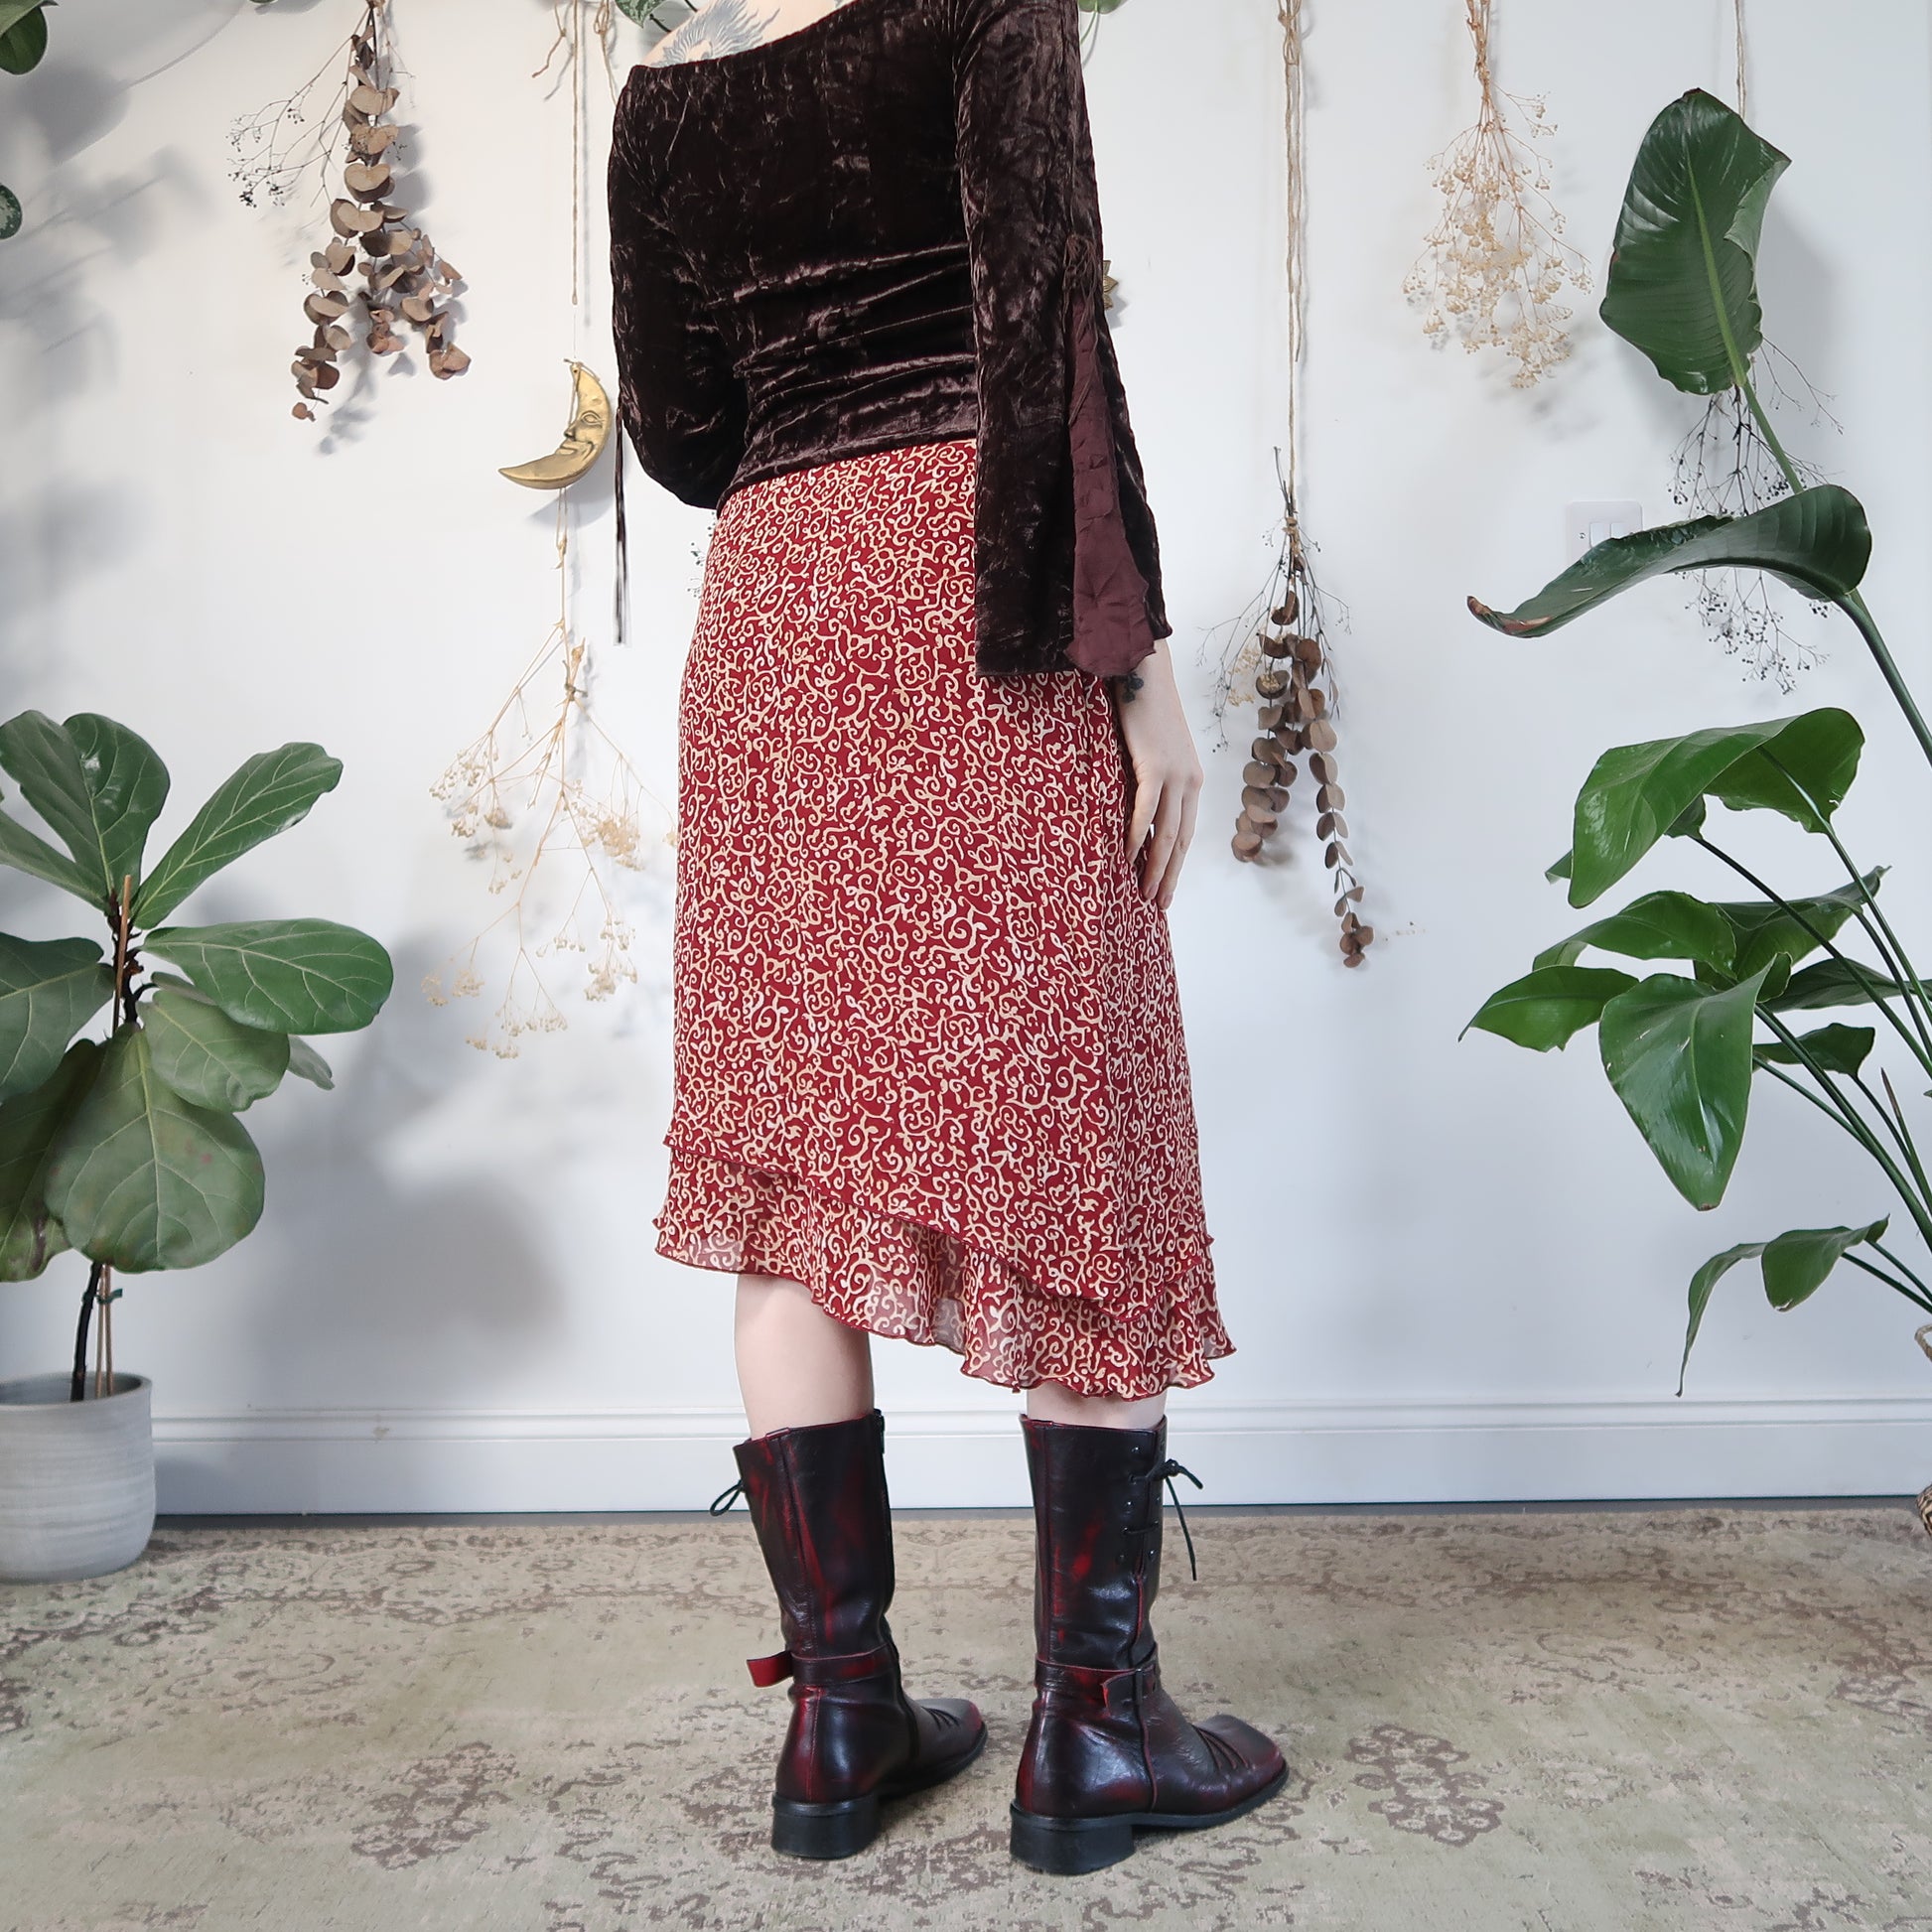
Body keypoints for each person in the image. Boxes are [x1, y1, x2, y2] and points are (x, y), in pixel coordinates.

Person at [608, 0, 1287, 1875]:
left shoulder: (663, 93)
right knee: (1068, 1122)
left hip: (779, 599)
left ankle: (841, 1718)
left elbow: (678, 428)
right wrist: (1136, 664)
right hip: (971, 575)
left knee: (794, 1156)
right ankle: (1096, 1728)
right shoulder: (988, 7)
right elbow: (1046, 334)